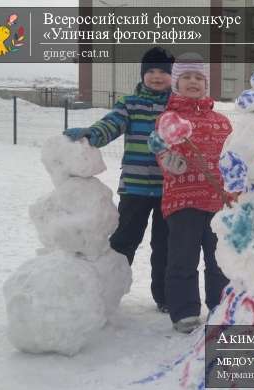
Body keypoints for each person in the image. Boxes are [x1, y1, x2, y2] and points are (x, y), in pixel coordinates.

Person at [63, 46, 173, 313]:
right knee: (124, 241)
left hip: (170, 189)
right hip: (134, 188)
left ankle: (165, 297)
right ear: (142, 74)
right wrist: (91, 134)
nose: (157, 77)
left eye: (163, 72)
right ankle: (107, 290)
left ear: (171, 75)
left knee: (165, 246)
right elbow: (111, 124)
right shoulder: (130, 104)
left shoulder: (177, 106)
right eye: (151, 72)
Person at [148, 53, 231, 334]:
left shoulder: (221, 121)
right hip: (183, 198)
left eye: (198, 78)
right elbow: (160, 147)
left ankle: (221, 307)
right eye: (186, 77)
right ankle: (184, 311)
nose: (193, 82)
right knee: (183, 257)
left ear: (206, 84)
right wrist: (167, 159)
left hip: (219, 200)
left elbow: (233, 155)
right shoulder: (168, 118)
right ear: (176, 83)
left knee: (218, 258)